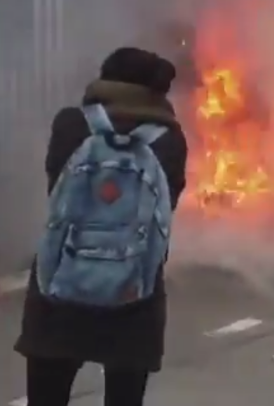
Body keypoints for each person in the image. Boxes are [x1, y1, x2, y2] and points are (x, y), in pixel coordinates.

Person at [15, 47, 188, 406]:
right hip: (133, 296)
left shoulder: (71, 124)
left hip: (59, 287)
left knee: (47, 396)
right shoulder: (169, 139)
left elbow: (56, 189)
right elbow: (166, 206)